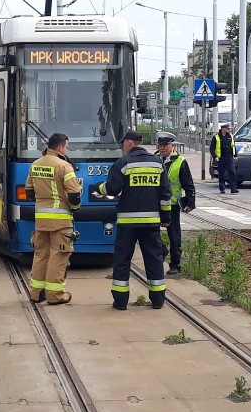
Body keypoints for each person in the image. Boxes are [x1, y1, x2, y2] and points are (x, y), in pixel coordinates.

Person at [92, 130, 171, 310]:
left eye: (123, 144)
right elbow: (165, 194)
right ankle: (158, 300)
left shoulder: (123, 163)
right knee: (154, 259)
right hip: (151, 223)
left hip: (127, 224)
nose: (123, 147)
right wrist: (165, 218)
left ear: (129, 143)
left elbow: (111, 189)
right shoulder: (157, 163)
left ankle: (120, 302)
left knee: (122, 261)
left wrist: (99, 187)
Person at [24, 132, 81, 305]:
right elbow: (74, 194)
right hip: (61, 221)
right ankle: (55, 296)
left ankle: (36, 293)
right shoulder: (64, 166)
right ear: (61, 147)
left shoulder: (35, 164)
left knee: (41, 254)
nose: (67, 150)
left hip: (41, 220)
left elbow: (29, 191)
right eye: (67, 147)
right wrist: (75, 209)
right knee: (59, 255)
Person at [155, 132, 196, 276]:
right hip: (155, 204)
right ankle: (162, 250)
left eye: (165, 145)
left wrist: (190, 202)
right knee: (150, 232)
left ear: (172, 145)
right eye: (160, 145)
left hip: (172, 205)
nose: (162, 148)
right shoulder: (154, 159)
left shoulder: (180, 161)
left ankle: (175, 265)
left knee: (174, 236)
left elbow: (188, 184)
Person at [211, 124, 238, 194]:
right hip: (221, 158)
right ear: (223, 129)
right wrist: (215, 156)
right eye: (228, 128)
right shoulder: (216, 137)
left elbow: (233, 146)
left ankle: (233, 188)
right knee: (221, 174)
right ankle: (222, 188)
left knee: (232, 172)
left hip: (230, 157)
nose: (229, 130)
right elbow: (212, 148)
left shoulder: (231, 136)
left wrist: (235, 155)